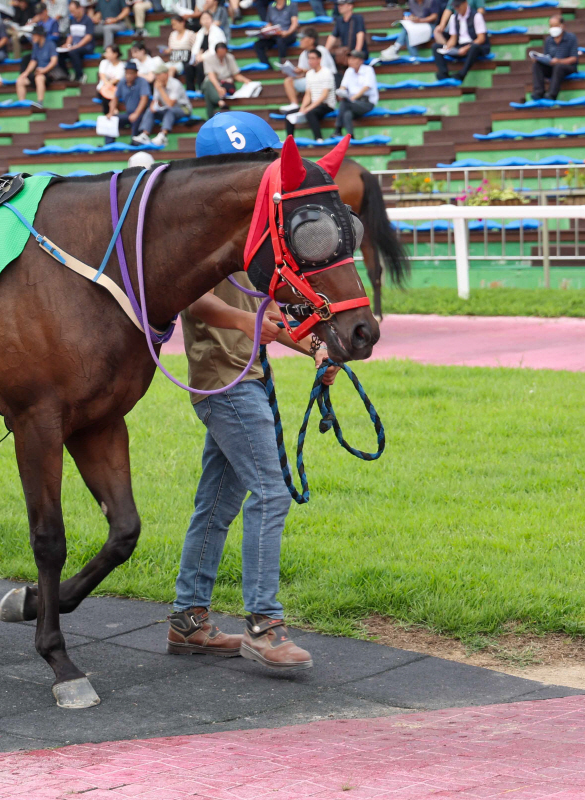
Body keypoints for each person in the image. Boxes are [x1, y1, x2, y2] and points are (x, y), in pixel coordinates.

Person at [167, 113, 335, 671]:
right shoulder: (200, 229)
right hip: (224, 380)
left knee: (217, 504)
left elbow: (263, 313)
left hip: (245, 376)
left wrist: (312, 347)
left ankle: (188, 620)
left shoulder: (252, 228)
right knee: (271, 491)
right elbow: (191, 302)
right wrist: (251, 329)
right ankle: (264, 623)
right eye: (265, 160)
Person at [284, 46, 334, 141]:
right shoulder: (309, 74)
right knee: (289, 114)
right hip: (314, 104)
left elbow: (324, 95)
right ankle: (289, 141)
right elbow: (308, 93)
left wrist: (308, 108)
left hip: (326, 105)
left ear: (319, 59)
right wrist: (303, 107)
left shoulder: (326, 72)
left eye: (313, 58)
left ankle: (318, 138)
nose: (310, 61)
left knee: (310, 113)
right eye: (309, 59)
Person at [279, 29, 333, 112]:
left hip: (324, 82)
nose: (300, 41)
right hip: (311, 80)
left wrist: (303, 70)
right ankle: (294, 104)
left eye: (303, 38)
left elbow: (322, 71)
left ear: (311, 40)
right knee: (288, 81)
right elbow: (303, 73)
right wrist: (293, 72)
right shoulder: (304, 54)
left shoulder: (321, 51)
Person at [432, 0, 487, 82]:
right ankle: (444, 74)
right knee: (436, 47)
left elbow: (481, 38)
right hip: (460, 46)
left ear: (465, 3)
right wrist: (448, 47)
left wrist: (467, 48)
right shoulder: (454, 18)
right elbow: (453, 38)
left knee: (474, 47)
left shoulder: (476, 16)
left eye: (458, 6)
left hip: (473, 46)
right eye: (455, 6)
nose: (456, 8)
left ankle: (462, 74)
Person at [531, 16, 578, 101]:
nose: (553, 28)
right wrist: (540, 59)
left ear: (562, 26)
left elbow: (574, 58)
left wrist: (559, 61)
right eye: (551, 26)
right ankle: (538, 92)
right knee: (537, 65)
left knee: (558, 66)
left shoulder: (571, 38)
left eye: (555, 25)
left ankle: (552, 94)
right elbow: (547, 57)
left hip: (568, 67)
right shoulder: (548, 40)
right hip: (552, 66)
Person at [200, 40, 252, 117]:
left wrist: (245, 80)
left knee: (208, 94)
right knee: (207, 83)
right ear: (216, 52)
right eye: (219, 54)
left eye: (223, 53)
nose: (221, 55)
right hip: (214, 84)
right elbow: (211, 76)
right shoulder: (209, 59)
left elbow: (235, 74)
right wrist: (218, 88)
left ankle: (213, 114)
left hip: (225, 84)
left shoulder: (229, 58)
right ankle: (220, 102)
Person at [106, 60, 152, 143]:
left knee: (136, 119)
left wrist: (136, 113)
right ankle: (109, 144)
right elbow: (115, 98)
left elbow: (144, 99)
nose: (128, 75)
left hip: (141, 113)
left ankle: (134, 144)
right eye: (127, 73)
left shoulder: (142, 82)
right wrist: (111, 112)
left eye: (131, 73)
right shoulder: (122, 82)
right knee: (113, 119)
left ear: (136, 73)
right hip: (128, 114)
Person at [16, 27, 63, 108]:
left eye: (34, 35)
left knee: (39, 78)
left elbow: (54, 61)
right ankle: (22, 103)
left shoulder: (50, 44)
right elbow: (33, 61)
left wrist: (44, 70)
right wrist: (26, 73)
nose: (32, 37)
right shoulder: (36, 46)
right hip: (38, 72)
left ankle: (40, 103)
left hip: (50, 73)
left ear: (40, 35)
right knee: (20, 80)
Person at [335, 49, 377, 136]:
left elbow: (366, 87)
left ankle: (338, 129)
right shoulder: (349, 71)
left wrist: (352, 98)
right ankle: (351, 137)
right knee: (347, 114)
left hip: (366, 102)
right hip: (352, 102)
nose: (350, 61)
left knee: (344, 103)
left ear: (361, 60)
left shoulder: (368, 70)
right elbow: (343, 86)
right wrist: (340, 92)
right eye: (350, 58)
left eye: (354, 59)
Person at [149, 62, 191, 146]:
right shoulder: (157, 83)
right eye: (156, 75)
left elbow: (170, 104)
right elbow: (155, 101)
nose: (156, 77)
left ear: (166, 74)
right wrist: (152, 108)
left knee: (170, 110)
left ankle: (163, 135)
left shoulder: (175, 84)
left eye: (158, 74)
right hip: (167, 108)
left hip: (184, 108)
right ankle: (144, 134)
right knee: (149, 111)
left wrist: (160, 89)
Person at [253, 0, 298, 67]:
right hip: (275, 34)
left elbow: (294, 23)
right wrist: (266, 31)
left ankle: (282, 64)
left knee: (281, 41)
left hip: (288, 34)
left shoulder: (292, 5)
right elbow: (269, 23)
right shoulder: (271, 6)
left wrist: (287, 32)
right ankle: (268, 67)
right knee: (258, 45)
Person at [60, 0, 96, 81]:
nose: (72, 13)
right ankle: (67, 75)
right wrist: (67, 45)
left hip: (86, 47)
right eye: (71, 12)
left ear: (79, 8)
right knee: (60, 54)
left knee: (73, 52)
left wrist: (76, 46)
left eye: (73, 11)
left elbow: (88, 37)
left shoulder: (88, 20)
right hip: (74, 46)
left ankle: (80, 75)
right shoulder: (72, 20)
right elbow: (70, 35)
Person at [326, 0, 366, 71]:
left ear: (350, 6)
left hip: (357, 52)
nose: (339, 7)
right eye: (339, 5)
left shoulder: (357, 18)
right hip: (345, 53)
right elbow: (332, 37)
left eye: (342, 5)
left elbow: (360, 35)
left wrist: (356, 54)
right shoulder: (339, 20)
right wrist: (324, 52)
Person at [165, 15, 197, 90]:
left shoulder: (190, 34)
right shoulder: (172, 34)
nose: (174, 27)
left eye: (175, 24)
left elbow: (195, 47)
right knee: (160, 69)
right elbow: (170, 48)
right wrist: (167, 51)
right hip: (173, 59)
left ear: (182, 23)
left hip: (184, 61)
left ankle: (169, 89)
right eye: (172, 24)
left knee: (172, 69)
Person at [96, 44, 125, 113]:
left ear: (115, 54)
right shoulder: (103, 62)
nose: (106, 54)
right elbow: (102, 75)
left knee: (111, 93)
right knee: (105, 93)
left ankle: (111, 109)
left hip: (115, 87)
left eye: (108, 52)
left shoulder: (122, 65)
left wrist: (109, 84)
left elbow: (118, 79)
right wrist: (106, 84)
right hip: (104, 87)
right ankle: (112, 109)